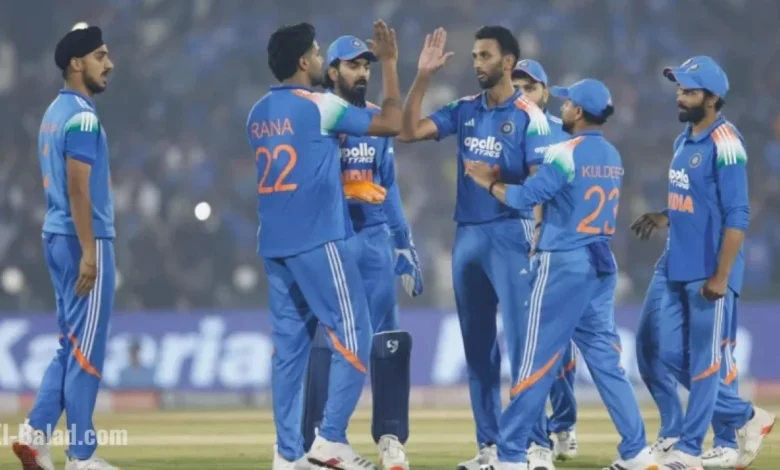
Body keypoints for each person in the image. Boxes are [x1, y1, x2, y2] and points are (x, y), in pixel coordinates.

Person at [466, 79, 657, 470]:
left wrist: (489, 182)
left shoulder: (564, 152)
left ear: (578, 111)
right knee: (606, 362)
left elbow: (526, 197)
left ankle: (511, 454)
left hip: (564, 261)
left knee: (535, 359)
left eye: (568, 103)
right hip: (600, 260)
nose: (563, 107)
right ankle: (637, 451)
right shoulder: (612, 154)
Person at [250, 20, 410, 470]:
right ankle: (331, 439)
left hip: (274, 246)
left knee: (289, 353)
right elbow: (391, 123)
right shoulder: (321, 106)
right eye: (318, 53)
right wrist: (390, 63)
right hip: (318, 239)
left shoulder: (257, 112)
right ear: (304, 61)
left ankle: (287, 455)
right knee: (355, 335)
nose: (321, 59)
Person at [397, 26, 552, 470]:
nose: (477, 63)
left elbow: (541, 187)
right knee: (478, 350)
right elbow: (407, 131)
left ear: (508, 61)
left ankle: (534, 447)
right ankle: (490, 446)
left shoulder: (531, 117)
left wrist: (537, 235)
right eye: (474, 56)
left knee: (523, 347)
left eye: (485, 55)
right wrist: (422, 76)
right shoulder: (464, 109)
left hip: (512, 234)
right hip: (468, 236)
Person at [630, 55, 774, 470]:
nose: (680, 96)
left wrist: (721, 275)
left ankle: (690, 450)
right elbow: (695, 200)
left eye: (689, 91)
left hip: (709, 268)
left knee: (706, 363)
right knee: (657, 350)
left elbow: (738, 215)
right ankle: (747, 416)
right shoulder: (685, 139)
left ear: (712, 98)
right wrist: (666, 215)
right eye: (679, 88)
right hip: (674, 260)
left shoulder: (726, 143)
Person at [299, 34, 422, 470]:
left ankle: (390, 436)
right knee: (326, 338)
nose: (363, 72)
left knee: (387, 338)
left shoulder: (375, 120)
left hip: (373, 239)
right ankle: (317, 437)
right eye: (353, 65)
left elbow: (388, 184)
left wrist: (403, 241)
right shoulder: (315, 116)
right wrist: (347, 192)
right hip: (330, 239)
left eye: (367, 65)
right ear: (332, 71)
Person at [12, 23, 119, 470]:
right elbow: (79, 188)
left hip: (55, 236)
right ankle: (82, 456)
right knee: (86, 351)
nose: (109, 64)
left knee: (70, 345)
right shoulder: (83, 116)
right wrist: (91, 251)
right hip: (81, 239)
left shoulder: (54, 112)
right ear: (77, 63)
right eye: (100, 56)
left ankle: (36, 434)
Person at [512, 59, 578, 467]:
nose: (523, 96)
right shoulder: (501, 128)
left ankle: (564, 423)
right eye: (516, 87)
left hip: (553, 243)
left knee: (559, 345)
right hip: (510, 241)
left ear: (546, 93)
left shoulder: (563, 133)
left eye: (530, 88)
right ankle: (532, 438)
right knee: (528, 343)